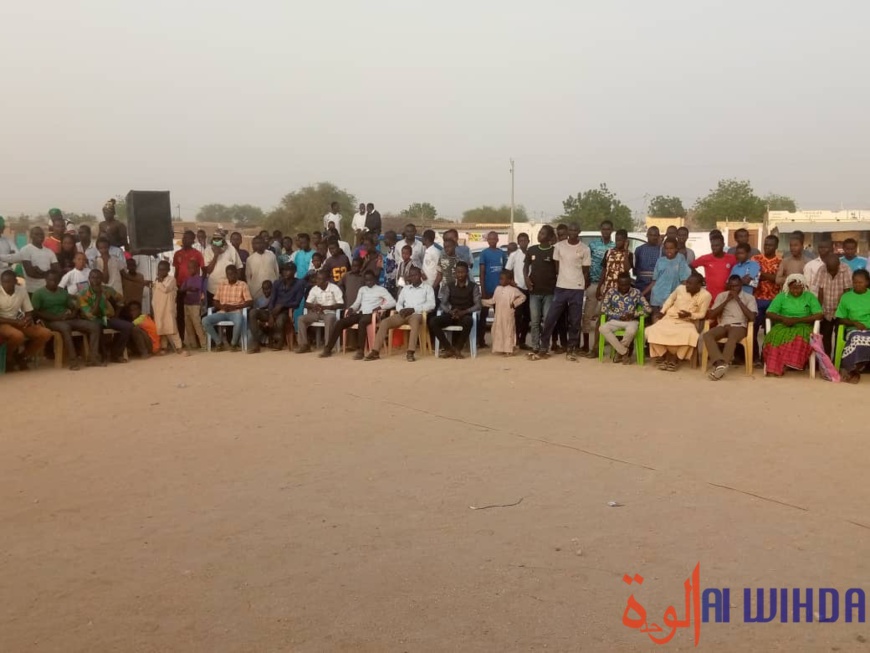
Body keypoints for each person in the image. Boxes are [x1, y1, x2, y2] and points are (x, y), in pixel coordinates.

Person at [535, 223, 591, 361]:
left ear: (579, 231)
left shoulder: (585, 249)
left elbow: (585, 270)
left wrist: (577, 281)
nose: (572, 232)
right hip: (561, 287)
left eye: (575, 229)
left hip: (577, 288)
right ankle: (543, 347)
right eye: (570, 230)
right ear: (567, 232)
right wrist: (563, 278)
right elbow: (556, 266)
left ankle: (571, 348)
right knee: (550, 319)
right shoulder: (559, 247)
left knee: (575, 321)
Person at [31, 269, 101, 370]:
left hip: (66, 319)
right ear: (45, 280)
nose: (53, 282)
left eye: (56, 280)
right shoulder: (39, 293)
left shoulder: (63, 292)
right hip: (50, 321)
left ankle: (94, 358)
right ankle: (73, 361)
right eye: (51, 280)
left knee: (94, 326)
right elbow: (36, 312)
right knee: (65, 327)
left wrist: (73, 314)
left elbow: (73, 307)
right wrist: (56, 318)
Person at [645, 272, 712, 372]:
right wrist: (662, 312)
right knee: (650, 331)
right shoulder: (680, 288)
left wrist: (689, 315)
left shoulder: (706, 295)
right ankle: (665, 355)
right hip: (670, 318)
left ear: (699, 285)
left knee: (691, 335)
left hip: (688, 322)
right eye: (687, 282)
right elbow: (670, 300)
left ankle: (675, 358)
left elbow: (702, 314)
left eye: (690, 284)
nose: (687, 285)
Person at [320, 270, 395, 359]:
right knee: (340, 322)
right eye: (367, 280)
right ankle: (328, 348)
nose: (369, 282)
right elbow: (357, 303)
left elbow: (393, 302)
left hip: (372, 314)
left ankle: (360, 351)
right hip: (361, 313)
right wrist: (352, 308)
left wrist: (380, 307)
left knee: (362, 322)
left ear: (374, 280)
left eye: (370, 280)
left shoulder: (381, 290)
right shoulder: (362, 289)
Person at [366, 266, 435, 362]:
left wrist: (414, 309)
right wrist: (401, 310)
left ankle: (410, 352)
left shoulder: (427, 288)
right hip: (403, 314)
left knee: (415, 323)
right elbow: (398, 303)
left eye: (415, 275)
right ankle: (375, 351)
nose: (413, 277)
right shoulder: (406, 289)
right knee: (385, 322)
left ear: (420, 275)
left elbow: (431, 304)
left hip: (417, 314)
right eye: (411, 276)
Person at [762, 274, 824, 376]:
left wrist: (798, 320)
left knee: (799, 338)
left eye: (798, 288)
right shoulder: (782, 296)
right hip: (783, 324)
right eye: (793, 288)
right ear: (788, 287)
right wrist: (783, 318)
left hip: (803, 326)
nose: (795, 291)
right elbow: (769, 313)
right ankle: (773, 369)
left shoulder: (809, 296)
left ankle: (786, 365)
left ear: (803, 287)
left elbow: (819, 314)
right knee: (775, 337)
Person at [703, 275, 758, 380]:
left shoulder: (749, 297)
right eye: (731, 286)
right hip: (724, 324)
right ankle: (720, 364)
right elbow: (711, 315)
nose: (734, 289)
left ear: (741, 285)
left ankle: (721, 365)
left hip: (739, 326)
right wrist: (726, 301)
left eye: (736, 286)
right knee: (707, 335)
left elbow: (752, 317)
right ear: (728, 285)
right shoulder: (722, 296)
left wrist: (738, 300)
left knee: (732, 338)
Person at [0, 269, 53, 370]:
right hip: (3, 323)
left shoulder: (21, 291)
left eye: (8, 282)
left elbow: (28, 311)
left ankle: (22, 356)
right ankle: (8, 358)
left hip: (18, 321)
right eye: (3, 282)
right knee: (17, 336)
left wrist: (27, 319)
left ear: (15, 282)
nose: (5, 284)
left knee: (45, 333)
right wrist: (16, 322)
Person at [78, 268, 132, 363]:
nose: (95, 280)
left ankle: (116, 354)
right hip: (92, 320)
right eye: (93, 278)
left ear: (102, 279)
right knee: (97, 328)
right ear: (89, 279)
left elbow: (122, 300)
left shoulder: (107, 290)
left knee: (127, 326)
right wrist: (99, 297)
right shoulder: (83, 294)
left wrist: (117, 313)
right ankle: (101, 356)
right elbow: (92, 314)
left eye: (98, 278)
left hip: (107, 318)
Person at [250, 263, 307, 352]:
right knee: (253, 312)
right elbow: (272, 300)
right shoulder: (277, 283)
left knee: (280, 320)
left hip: (285, 311)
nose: (285, 272)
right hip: (272, 311)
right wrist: (271, 315)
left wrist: (282, 305)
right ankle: (256, 343)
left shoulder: (299, 284)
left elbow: (297, 303)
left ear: (294, 271)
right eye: (284, 270)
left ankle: (278, 341)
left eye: (288, 270)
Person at [430, 261, 481, 359]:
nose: (460, 275)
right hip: (452, 314)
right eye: (458, 272)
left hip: (465, 315)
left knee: (469, 321)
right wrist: (450, 311)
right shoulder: (450, 285)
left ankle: (458, 348)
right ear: (455, 273)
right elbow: (443, 303)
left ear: (467, 273)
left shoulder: (473, 286)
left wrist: (465, 312)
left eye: (463, 272)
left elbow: (478, 305)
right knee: (433, 321)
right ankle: (448, 348)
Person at [599, 272, 652, 364]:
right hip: (615, 320)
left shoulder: (636, 292)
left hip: (631, 321)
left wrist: (634, 314)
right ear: (617, 283)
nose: (624, 287)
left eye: (627, 285)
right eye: (622, 285)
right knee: (602, 328)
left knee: (631, 330)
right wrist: (618, 316)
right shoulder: (611, 292)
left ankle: (619, 353)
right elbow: (604, 309)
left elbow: (648, 309)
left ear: (630, 282)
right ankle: (624, 351)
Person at [201, 264, 252, 352]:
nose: (230, 276)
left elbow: (249, 301)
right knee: (205, 320)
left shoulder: (242, 284)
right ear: (226, 275)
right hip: (223, 311)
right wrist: (222, 306)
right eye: (228, 274)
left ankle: (233, 344)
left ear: (237, 274)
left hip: (236, 311)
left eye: (232, 274)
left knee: (239, 320)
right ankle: (219, 343)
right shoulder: (222, 284)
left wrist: (235, 306)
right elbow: (215, 301)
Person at [523, 225, 557, 358]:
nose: (539, 235)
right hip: (534, 292)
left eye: (543, 233)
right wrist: (526, 279)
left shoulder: (554, 251)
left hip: (549, 292)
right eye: (539, 233)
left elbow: (557, 270)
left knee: (547, 321)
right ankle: (535, 346)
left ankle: (545, 347)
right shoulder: (532, 250)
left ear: (549, 237)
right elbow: (525, 267)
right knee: (535, 321)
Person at [583, 221, 615, 353]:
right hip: (593, 283)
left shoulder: (614, 246)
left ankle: (598, 345)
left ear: (612, 230)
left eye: (608, 229)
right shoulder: (593, 245)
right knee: (587, 315)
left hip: (608, 286)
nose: (606, 231)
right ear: (600, 230)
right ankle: (585, 345)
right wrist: (587, 279)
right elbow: (586, 262)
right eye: (603, 229)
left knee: (603, 316)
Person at [295, 270, 344, 353]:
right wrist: (314, 306)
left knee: (329, 319)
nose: (316, 280)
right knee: (301, 319)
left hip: (330, 313)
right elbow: (307, 304)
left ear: (326, 281)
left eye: (319, 279)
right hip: (317, 313)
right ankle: (304, 345)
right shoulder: (314, 289)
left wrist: (327, 307)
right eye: (317, 278)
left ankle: (327, 347)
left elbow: (341, 304)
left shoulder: (334, 288)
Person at [481, 270, 527, 356]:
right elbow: (493, 301)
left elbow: (523, 297)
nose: (500, 281)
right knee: (498, 331)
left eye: (503, 279)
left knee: (508, 331)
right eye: (500, 279)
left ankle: (509, 350)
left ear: (509, 280)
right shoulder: (497, 289)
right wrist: (482, 302)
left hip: (508, 315)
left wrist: (514, 303)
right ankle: (501, 348)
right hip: (498, 315)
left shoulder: (514, 290)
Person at [751, 235, 782, 363]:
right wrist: (769, 276)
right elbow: (752, 277)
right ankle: (754, 357)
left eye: (770, 245)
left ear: (776, 246)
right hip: (756, 299)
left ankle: (766, 356)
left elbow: (777, 280)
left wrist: (761, 274)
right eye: (765, 244)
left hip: (773, 301)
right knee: (753, 329)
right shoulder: (755, 259)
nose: (767, 247)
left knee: (770, 331)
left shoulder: (780, 262)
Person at [0, 226, 59, 293]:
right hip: (32, 290)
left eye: (41, 234)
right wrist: (48, 275)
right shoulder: (26, 250)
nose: (40, 236)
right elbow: (31, 273)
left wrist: (41, 272)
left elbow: (57, 271)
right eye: (36, 234)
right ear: (31, 236)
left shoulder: (50, 252)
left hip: (48, 291)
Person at [836, 269, 870, 383]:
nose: (857, 285)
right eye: (855, 282)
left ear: (867, 282)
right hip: (853, 330)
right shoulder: (846, 297)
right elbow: (840, 318)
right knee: (857, 338)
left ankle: (858, 368)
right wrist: (854, 323)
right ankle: (853, 370)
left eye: (860, 282)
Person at [817, 252, 853, 356]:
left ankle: (838, 362)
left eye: (833, 269)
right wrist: (819, 310)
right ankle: (826, 361)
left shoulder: (846, 269)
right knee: (825, 337)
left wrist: (842, 311)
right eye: (829, 269)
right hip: (826, 310)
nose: (831, 272)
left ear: (838, 265)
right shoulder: (822, 269)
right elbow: (820, 291)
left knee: (840, 337)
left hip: (840, 311)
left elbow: (847, 291)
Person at [646, 238, 691, 317]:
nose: (669, 251)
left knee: (669, 318)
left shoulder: (680, 259)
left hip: (672, 296)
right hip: (657, 296)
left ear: (676, 249)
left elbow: (684, 280)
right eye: (666, 248)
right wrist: (642, 293)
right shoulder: (660, 261)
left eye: (671, 248)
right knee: (656, 318)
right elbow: (654, 281)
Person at [478, 231, 507, 348]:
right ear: (487, 240)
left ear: (498, 240)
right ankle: (481, 340)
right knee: (483, 316)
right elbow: (482, 272)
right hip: (488, 289)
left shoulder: (502, 253)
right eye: (490, 239)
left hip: (500, 290)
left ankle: (500, 341)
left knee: (500, 316)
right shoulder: (484, 254)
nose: (492, 241)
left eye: (494, 239)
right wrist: (483, 290)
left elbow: (505, 271)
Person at [152, 260, 186, 355]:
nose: (161, 271)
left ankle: (179, 347)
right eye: (159, 269)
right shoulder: (157, 280)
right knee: (161, 328)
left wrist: (158, 281)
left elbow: (165, 289)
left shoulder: (171, 279)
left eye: (163, 270)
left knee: (172, 328)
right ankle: (164, 347)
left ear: (168, 270)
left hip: (168, 308)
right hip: (159, 308)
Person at [691, 234, 737, 299]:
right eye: (712, 246)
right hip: (710, 297)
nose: (714, 248)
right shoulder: (705, 258)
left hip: (727, 296)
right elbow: (690, 266)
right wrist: (700, 277)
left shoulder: (731, 258)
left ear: (723, 244)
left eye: (717, 245)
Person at [506, 232, 530, 349]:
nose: (523, 242)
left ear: (528, 241)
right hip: (518, 289)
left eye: (525, 240)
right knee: (517, 316)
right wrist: (511, 282)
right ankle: (514, 340)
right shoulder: (514, 255)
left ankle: (522, 341)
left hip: (530, 289)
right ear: (518, 242)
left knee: (527, 316)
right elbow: (507, 270)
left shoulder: (532, 253)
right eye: (521, 241)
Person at [203, 234, 242, 305]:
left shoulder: (231, 249)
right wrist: (215, 255)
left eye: (219, 239)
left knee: (228, 310)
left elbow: (239, 267)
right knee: (213, 312)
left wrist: (235, 283)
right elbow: (208, 271)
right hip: (213, 289)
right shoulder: (207, 250)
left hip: (230, 289)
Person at [180, 260, 207, 350]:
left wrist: (188, 289)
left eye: (192, 267)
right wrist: (187, 289)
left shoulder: (199, 279)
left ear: (197, 268)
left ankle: (204, 344)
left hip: (195, 304)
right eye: (189, 268)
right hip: (187, 304)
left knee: (197, 324)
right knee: (188, 325)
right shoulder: (187, 279)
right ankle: (193, 344)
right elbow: (181, 289)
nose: (190, 270)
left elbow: (196, 289)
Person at [244, 236, 280, 302]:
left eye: (261, 243)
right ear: (253, 245)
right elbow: (248, 277)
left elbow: (276, 272)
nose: (259, 245)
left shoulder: (271, 255)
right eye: (256, 243)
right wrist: (251, 289)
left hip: (271, 288)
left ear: (264, 243)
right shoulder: (250, 259)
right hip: (256, 290)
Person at [633, 226, 661, 296]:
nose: (653, 237)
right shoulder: (639, 250)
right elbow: (635, 269)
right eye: (651, 235)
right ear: (647, 235)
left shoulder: (662, 250)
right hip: (641, 286)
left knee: (653, 306)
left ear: (658, 236)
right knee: (640, 306)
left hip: (657, 288)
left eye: (655, 235)